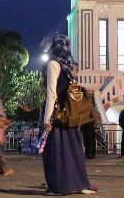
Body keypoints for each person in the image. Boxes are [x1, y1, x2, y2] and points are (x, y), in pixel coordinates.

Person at [41, 35, 95, 194]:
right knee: (74, 149)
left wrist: (46, 119)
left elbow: (51, 93)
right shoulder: (70, 65)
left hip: (57, 115)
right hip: (70, 113)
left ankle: (58, 186)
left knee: (55, 151)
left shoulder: (53, 64)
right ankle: (79, 184)